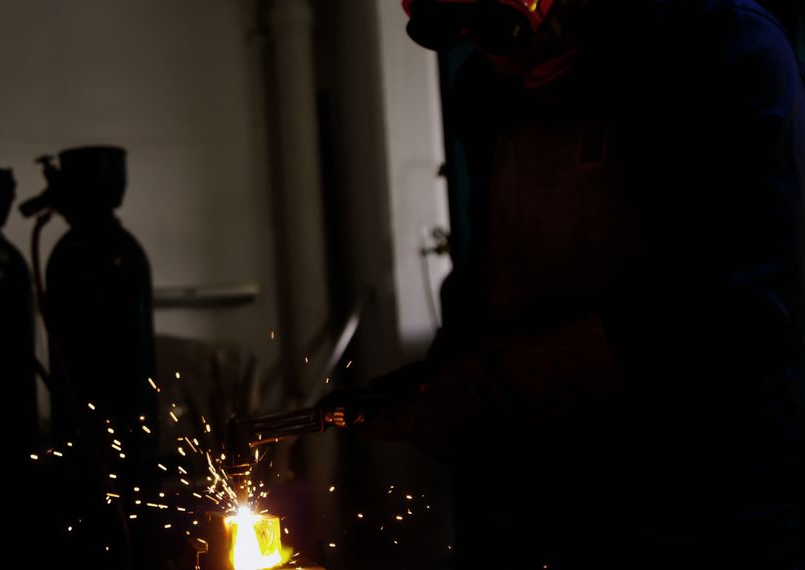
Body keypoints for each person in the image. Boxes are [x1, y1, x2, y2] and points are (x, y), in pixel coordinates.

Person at [326, 0, 805, 567]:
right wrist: (438, 378)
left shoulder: (717, 46)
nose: (489, 53)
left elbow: (746, 312)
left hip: (711, 510)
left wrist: (526, 374)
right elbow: (490, 281)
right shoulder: (486, 89)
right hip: (548, 513)